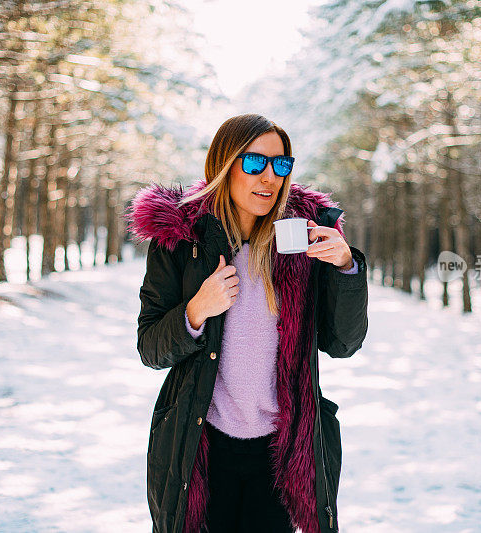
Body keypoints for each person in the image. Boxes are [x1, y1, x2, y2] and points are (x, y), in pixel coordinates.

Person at [124, 113, 369, 533]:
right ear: (224, 165)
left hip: (280, 456)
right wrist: (196, 311)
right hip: (200, 449)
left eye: (281, 164)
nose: (269, 177)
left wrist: (345, 268)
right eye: (255, 163)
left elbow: (343, 343)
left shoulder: (305, 238)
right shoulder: (182, 239)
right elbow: (150, 347)